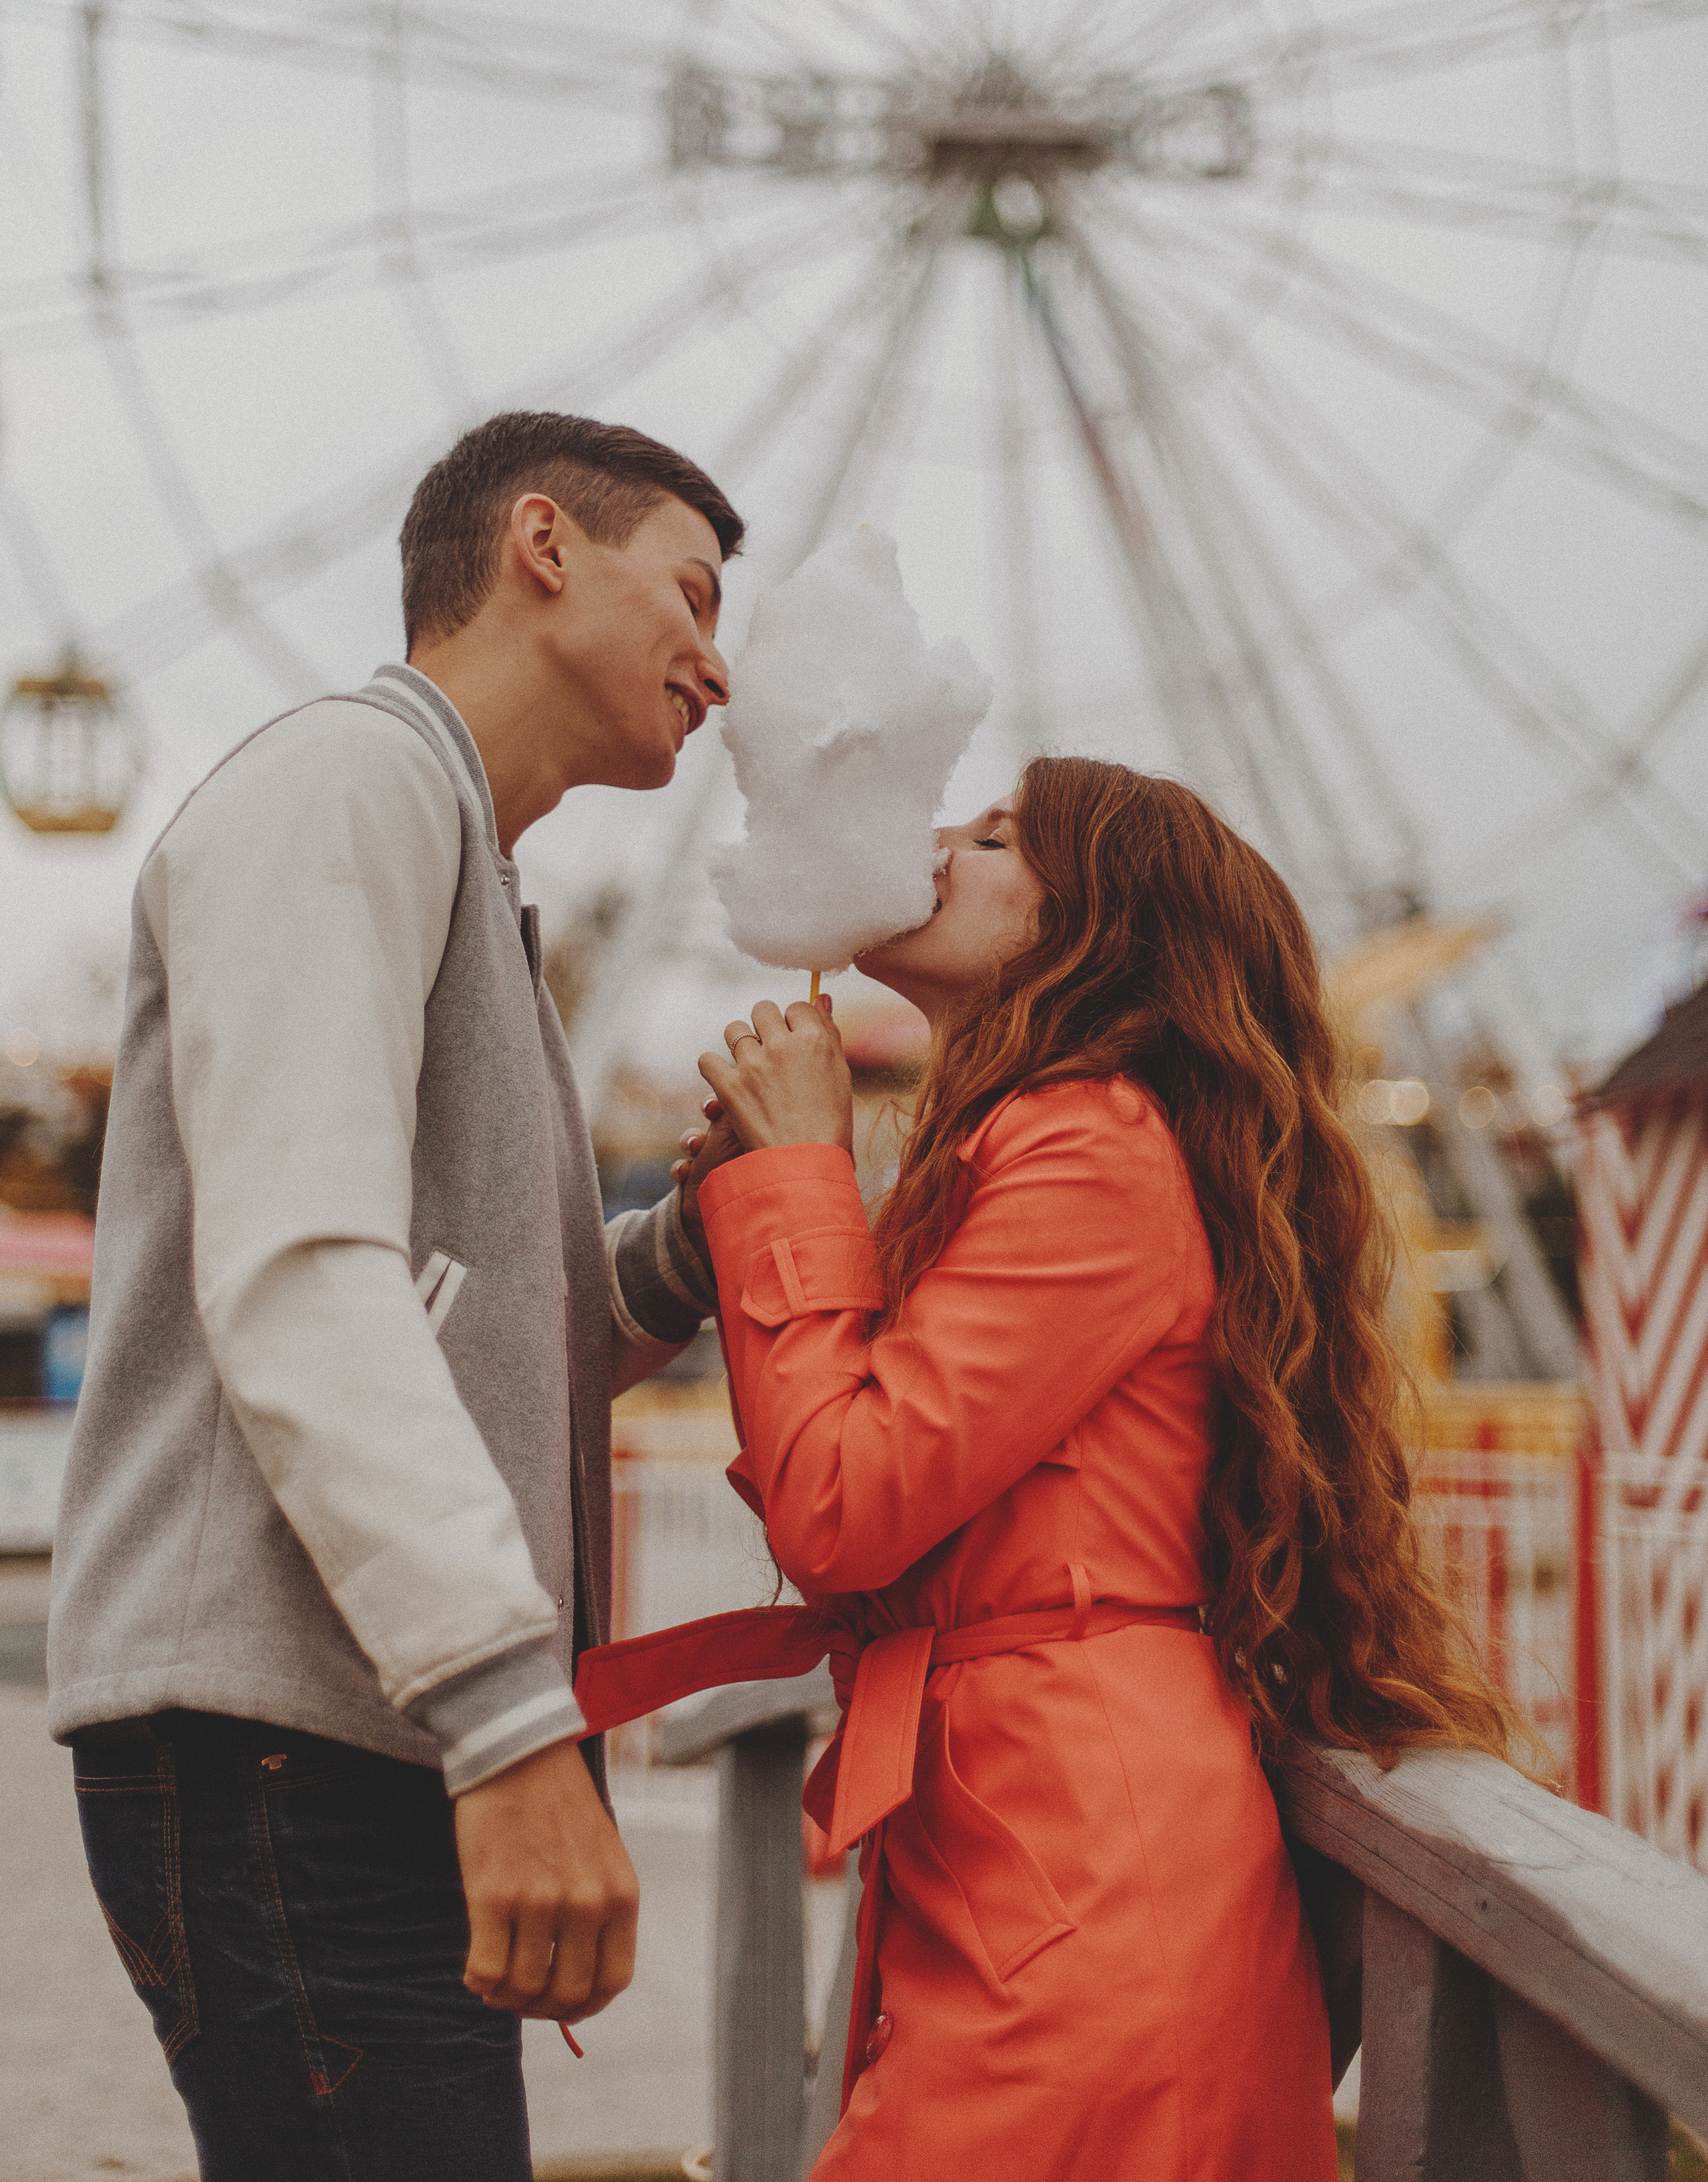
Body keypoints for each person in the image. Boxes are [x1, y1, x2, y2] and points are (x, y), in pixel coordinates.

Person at [47, 410, 741, 2182]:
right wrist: (512, 1718)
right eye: (693, 590)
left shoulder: (451, 854)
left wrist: (703, 1234)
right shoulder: (348, 780)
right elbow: (298, 1274)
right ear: (542, 546)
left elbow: (490, 1339)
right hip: (294, 1735)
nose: (716, 663)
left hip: (343, 1724)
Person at [659, 757, 1517, 2181]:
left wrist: (800, 1181)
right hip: (1051, 1845)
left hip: (1081, 1893)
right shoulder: (1039, 1140)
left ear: (1093, 929)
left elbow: (839, 1503)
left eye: (996, 836)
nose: (934, 838)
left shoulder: (1087, 1146)